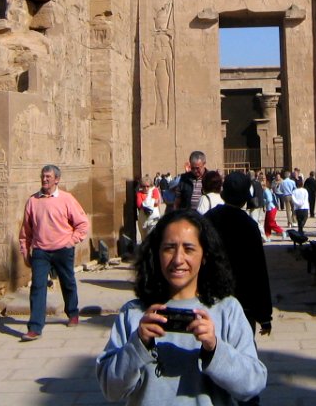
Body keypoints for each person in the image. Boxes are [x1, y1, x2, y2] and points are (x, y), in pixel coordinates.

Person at [96, 210, 267, 405]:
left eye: (189, 249)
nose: (178, 259)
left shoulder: (227, 310)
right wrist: (138, 345)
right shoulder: (134, 313)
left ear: (204, 255)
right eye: (169, 248)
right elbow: (110, 389)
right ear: (156, 253)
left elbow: (252, 384)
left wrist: (214, 348)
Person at [19, 164, 90, 341]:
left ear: (56, 179)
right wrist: (25, 251)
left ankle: (72, 312)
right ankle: (35, 327)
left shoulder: (66, 199)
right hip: (41, 250)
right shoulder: (33, 201)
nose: (44, 179)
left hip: (62, 249)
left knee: (67, 282)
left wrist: (71, 241)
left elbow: (82, 223)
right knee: (37, 287)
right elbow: (25, 231)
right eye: (43, 176)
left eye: (48, 177)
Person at [206, 172, 273, 336]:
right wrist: (264, 315)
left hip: (212, 300)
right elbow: (258, 270)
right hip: (243, 303)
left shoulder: (208, 220)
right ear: (245, 199)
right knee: (244, 353)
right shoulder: (249, 226)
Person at [262, 175, 284, 240]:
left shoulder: (266, 191)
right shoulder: (265, 191)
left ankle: (281, 231)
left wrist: (263, 201)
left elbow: (269, 199)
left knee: (271, 223)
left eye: (262, 185)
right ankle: (267, 235)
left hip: (271, 208)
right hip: (269, 208)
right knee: (266, 223)